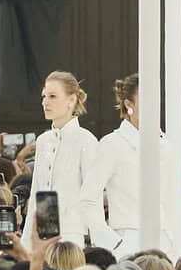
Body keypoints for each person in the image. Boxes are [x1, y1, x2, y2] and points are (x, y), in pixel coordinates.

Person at [90, 73, 170, 257]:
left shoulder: (165, 144)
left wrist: (173, 237)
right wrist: (112, 241)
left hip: (164, 242)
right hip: (127, 242)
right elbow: (88, 198)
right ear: (128, 104)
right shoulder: (112, 144)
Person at [25, 71, 103, 249]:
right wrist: (26, 244)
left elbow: (93, 198)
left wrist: (98, 247)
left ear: (71, 100)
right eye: (44, 96)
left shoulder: (86, 140)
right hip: (41, 236)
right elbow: (36, 192)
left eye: (52, 96)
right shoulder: (43, 141)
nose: (45, 102)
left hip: (71, 238)